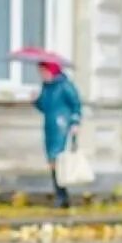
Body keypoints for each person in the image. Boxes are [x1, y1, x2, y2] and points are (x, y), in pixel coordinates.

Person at [34, 61, 82, 208]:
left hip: (62, 126)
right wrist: (35, 100)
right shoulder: (46, 87)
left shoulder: (64, 85)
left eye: (44, 72)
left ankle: (61, 195)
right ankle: (61, 195)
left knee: (58, 159)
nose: (42, 75)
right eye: (40, 72)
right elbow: (45, 107)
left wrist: (75, 122)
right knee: (52, 161)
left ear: (52, 71)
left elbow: (76, 104)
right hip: (50, 126)